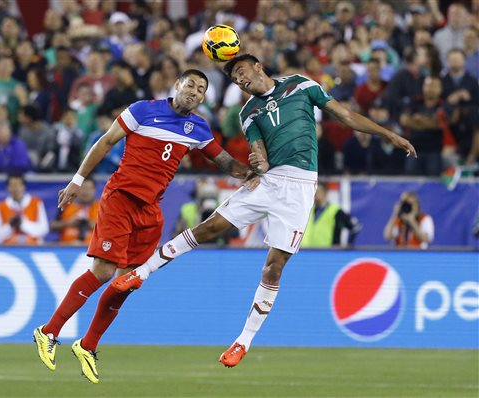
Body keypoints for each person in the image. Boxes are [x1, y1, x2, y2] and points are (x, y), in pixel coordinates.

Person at [112, 54, 417, 368]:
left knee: (273, 267)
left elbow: (345, 115)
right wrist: (258, 162)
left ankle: (242, 343)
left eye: (242, 72)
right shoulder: (248, 112)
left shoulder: (301, 85)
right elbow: (259, 151)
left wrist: (388, 134)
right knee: (210, 227)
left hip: (299, 188)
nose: (241, 81)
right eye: (235, 79)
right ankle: (141, 272)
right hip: (268, 182)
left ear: (258, 66)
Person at [33, 69, 258, 383]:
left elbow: (224, 162)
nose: (195, 91)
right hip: (121, 198)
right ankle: (48, 331)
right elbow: (106, 141)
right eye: (190, 84)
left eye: (201, 89)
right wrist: (77, 180)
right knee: (103, 271)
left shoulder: (198, 128)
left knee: (129, 282)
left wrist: (250, 171)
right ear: (176, 85)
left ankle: (88, 345)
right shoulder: (143, 110)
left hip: (150, 211)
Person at [0, 174, 49, 244]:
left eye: (18, 185)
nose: (15, 189)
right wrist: (10, 225)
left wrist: (23, 223)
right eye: (12, 185)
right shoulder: (1, 206)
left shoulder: (36, 203)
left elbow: (44, 230)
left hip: (33, 247)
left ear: (23, 187)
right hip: (10, 248)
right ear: (7, 188)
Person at [301, 183, 361, 248]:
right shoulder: (309, 210)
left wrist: (349, 244)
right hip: (308, 251)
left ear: (325, 194)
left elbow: (355, 227)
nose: (314, 195)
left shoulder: (335, 211)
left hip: (329, 252)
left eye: (317, 192)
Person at [50, 177, 99, 245]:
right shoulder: (67, 205)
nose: (85, 192)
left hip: (94, 247)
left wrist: (91, 224)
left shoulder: (101, 207)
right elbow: (52, 226)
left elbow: (109, 230)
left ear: (94, 190)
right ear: (76, 190)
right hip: (67, 247)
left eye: (88, 188)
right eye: (83, 188)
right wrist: (68, 222)